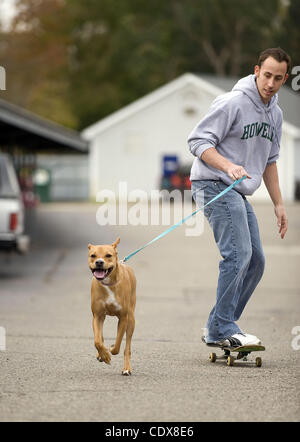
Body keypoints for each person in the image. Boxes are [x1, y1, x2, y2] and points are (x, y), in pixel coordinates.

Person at [188, 47, 290, 348]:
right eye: (267, 75)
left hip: (236, 191)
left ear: (285, 80)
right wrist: (227, 165)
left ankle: (217, 323)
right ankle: (222, 328)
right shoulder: (232, 102)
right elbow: (197, 140)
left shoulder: (276, 115)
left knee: (256, 261)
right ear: (256, 71)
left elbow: (270, 161)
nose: (270, 83)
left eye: (278, 78)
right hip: (212, 183)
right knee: (239, 254)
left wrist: (279, 204)